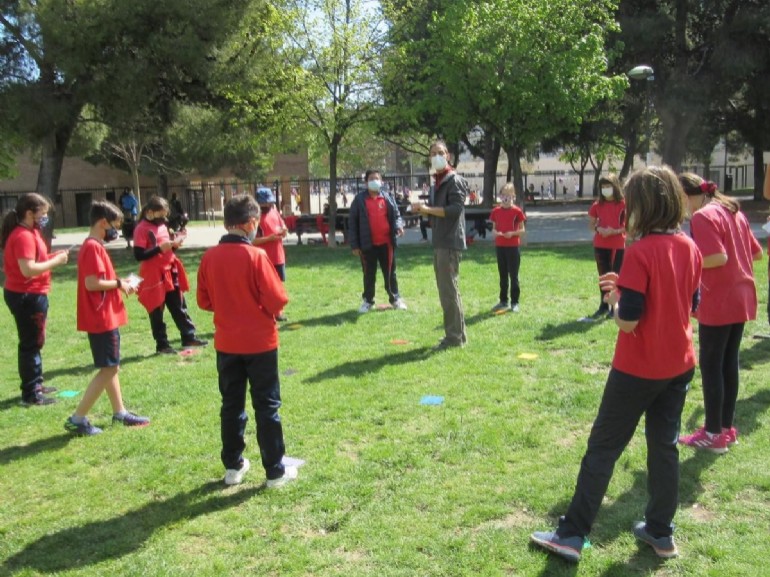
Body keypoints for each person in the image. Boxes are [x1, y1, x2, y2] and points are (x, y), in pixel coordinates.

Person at [530, 166, 702, 562]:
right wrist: (626, 286)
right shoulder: (688, 246)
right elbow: (689, 304)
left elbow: (630, 319)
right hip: (678, 365)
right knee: (664, 448)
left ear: (643, 206)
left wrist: (615, 302)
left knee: (602, 448)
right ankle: (661, 532)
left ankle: (571, 535)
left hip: (639, 368)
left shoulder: (640, 251)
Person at [197, 194, 297, 488]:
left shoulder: (210, 257)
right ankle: (275, 470)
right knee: (266, 405)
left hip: (227, 342)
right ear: (252, 223)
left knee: (231, 404)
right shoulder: (256, 256)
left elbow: (204, 300)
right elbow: (278, 298)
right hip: (259, 343)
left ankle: (233, 465)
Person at [677, 174, 762, 453]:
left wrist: (686, 260)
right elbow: (756, 252)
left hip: (720, 300)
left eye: (682, 200)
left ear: (691, 196)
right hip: (742, 296)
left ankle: (713, 434)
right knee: (729, 363)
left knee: (712, 366)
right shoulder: (732, 210)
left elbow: (718, 256)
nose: (684, 208)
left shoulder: (703, 217)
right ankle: (726, 428)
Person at [64, 200, 150, 435]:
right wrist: (119, 283)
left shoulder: (95, 245)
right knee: (109, 369)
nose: (117, 231)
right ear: (103, 222)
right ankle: (78, 418)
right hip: (101, 318)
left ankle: (119, 412)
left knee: (111, 366)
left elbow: (99, 280)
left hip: (104, 316)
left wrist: (120, 284)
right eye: (115, 225)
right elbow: (91, 283)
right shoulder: (92, 247)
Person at [2, 193, 69, 406]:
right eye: (43, 213)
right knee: (31, 343)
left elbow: (36, 260)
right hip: (26, 296)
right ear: (29, 213)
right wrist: (56, 262)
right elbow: (28, 269)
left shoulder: (32, 232)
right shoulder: (23, 235)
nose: (45, 217)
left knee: (36, 340)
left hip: (33, 293)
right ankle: (31, 393)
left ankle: (36, 383)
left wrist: (52, 257)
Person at [133, 195, 207, 354]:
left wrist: (175, 244)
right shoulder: (141, 228)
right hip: (154, 274)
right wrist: (160, 248)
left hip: (169, 270)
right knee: (156, 310)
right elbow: (139, 255)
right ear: (150, 213)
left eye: (165, 215)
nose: (164, 218)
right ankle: (162, 345)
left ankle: (188, 337)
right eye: (161, 215)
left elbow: (167, 248)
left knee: (179, 305)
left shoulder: (162, 226)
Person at [414, 140, 468, 350]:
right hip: (440, 241)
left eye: (440, 152)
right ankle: (457, 335)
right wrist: (424, 210)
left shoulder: (454, 180)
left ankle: (454, 338)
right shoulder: (438, 181)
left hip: (450, 242)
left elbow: (454, 210)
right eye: (433, 153)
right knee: (448, 290)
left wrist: (427, 209)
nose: (436, 156)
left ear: (448, 156)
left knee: (449, 291)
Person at [348, 170, 407, 313]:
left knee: (390, 274)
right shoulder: (359, 200)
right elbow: (353, 223)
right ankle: (368, 301)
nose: (374, 181)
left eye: (377, 178)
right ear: (366, 182)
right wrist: (355, 245)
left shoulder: (387, 198)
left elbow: (397, 216)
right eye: (371, 178)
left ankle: (395, 299)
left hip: (387, 244)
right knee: (369, 274)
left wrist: (399, 226)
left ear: (381, 182)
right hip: (368, 245)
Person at [587, 175, 626, 318]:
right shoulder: (597, 205)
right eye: (603, 187)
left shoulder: (623, 204)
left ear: (615, 187)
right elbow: (591, 224)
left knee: (615, 276)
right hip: (600, 244)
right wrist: (599, 230)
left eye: (608, 186)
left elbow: (628, 226)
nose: (605, 190)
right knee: (603, 276)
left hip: (617, 245)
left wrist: (614, 231)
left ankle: (614, 307)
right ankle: (603, 305)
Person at [251, 187, 289, 321]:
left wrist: (284, 229)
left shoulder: (274, 211)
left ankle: (278, 312)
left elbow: (282, 224)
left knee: (278, 285)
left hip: (278, 256)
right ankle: (264, 312)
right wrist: (269, 238)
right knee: (264, 287)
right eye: (265, 203)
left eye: (270, 202)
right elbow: (251, 241)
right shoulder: (253, 218)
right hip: (263, 259)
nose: (269, 205)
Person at [489, 183, 526, 312]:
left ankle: (515, 302)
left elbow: (522, 229)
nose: (506, 198)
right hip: (500, 246)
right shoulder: (496, 211)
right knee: (502, 274)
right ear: (500, 196)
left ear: (513, 197)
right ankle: (503, 300)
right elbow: (493, 228)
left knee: (513, 275)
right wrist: (496, 233)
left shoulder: (517, 211)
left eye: (509, 195)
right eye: (503, 195)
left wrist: (512, 233)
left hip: (513, 247)